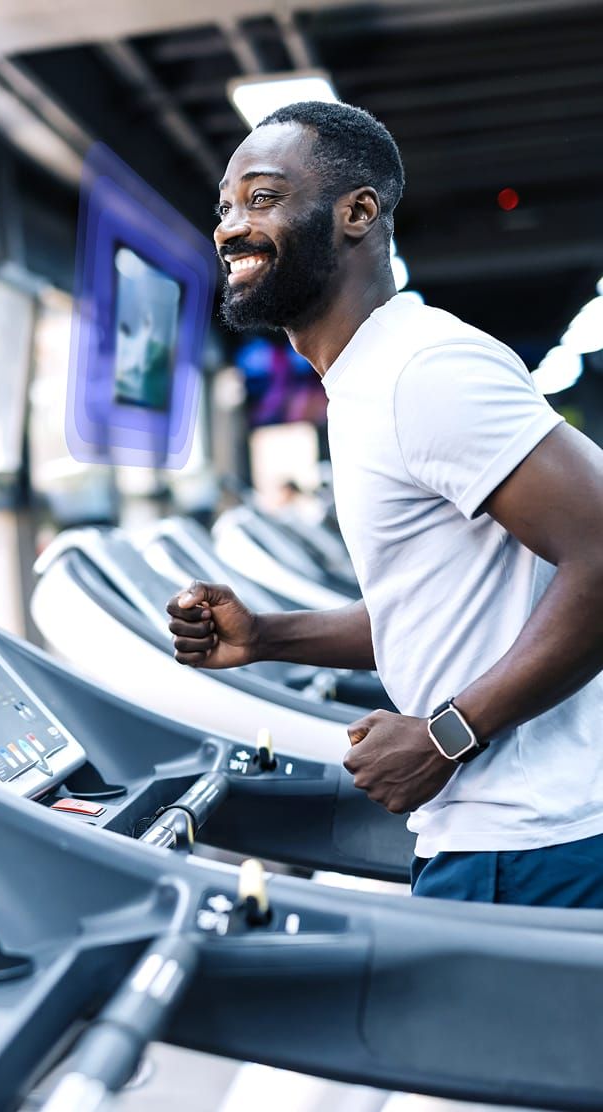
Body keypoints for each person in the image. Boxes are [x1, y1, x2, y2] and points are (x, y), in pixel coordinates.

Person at [166, 101, 603, 907]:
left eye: (260, 198)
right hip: (508, 835)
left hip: (537, 845)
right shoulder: (367, 382)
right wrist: (266, 636)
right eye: (224, 207)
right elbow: (441, 609)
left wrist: (447, 733)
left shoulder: (422, 371)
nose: (229, 227)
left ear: (357, 212)